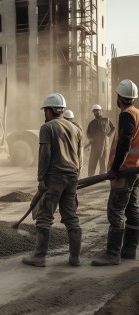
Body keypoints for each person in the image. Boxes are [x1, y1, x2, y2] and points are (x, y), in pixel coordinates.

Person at [22, 93, 83, 267]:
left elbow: (45, 154)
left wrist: (41, 178)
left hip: (55, 178)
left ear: (49, 111)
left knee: (44, 218)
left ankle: (39, 257)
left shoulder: (47, 127)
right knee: (71, 218)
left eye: (45, 110)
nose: (44, 114)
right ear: (62, 110)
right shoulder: (76, 128)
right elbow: (80, 156)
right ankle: (75, 258)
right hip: (72, 177)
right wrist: (76, 177)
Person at [92, 79, 139, 266]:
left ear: (119, 97)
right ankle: (129, 250)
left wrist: (114, 169)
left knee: (115, 211)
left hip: (125, 171)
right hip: (134, 170)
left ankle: (112, 254)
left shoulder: (126, 115)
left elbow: (125, 142)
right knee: (132, 210)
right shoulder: (137, 113)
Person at [86, 104, 115, 176]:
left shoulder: (106, 120)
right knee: (92, 161)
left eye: (98, 111)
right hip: (94, 145)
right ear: (93, 112)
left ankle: (103, 176)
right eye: (95, 111)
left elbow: (113, 128)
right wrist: (90, 138)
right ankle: (90, 176)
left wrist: (108, 135)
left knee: (103, 161)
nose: (96, 112)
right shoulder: (91, 123)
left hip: (104, 145)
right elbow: (88, 132)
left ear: (101, 111)